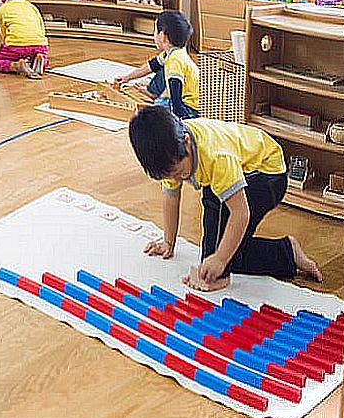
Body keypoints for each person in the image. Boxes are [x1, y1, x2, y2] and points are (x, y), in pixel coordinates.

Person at [128, 105, 322, 292]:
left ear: (187, 142)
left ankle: (222, 274)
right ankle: (287, 251)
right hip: (242, 170)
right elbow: (171, 196)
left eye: (178, 173)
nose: (176, 179)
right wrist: (168, 242)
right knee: (227, 246)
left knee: (221, 245)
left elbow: (241, 214)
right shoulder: (172, 153)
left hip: (267, 175)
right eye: (169, 176)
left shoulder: (216, 157)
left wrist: (220, 259)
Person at [114, 10, 199, 119]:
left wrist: (176, 119)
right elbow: (151, 66)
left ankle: (155, 98)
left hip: (188, 109)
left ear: (162, 36)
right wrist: (126, 78)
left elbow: (175, 95)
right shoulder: (173, 53)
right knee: (160, 69)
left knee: (152, 113)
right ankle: (153, 94)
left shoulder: (175, 60)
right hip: (185, 103)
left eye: (155, 31)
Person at [0, 0, 49, 78]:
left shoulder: (3, 9)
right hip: (39, 44)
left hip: (15, 45)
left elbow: (4, 35)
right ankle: (39, 59)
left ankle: (16, 65)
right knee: (43, 56)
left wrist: (6, 46)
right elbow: (41, 28)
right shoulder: (32, 7)